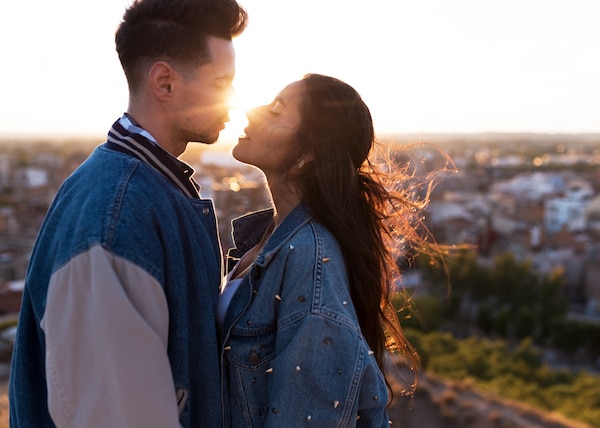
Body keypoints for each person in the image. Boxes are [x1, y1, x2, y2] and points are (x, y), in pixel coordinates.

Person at [9, 0, 247, 427]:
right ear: (164, 82)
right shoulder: (115, 215)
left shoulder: (147, 190)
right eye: (222, 82)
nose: (233, 99)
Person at [219, 74, 429, 427]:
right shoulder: (270, 240)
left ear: (308, 154)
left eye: (275, 111)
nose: (253, 111)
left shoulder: (308, 258)